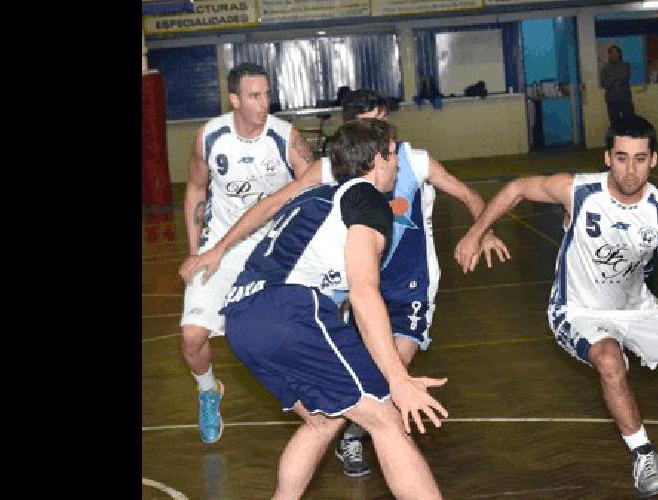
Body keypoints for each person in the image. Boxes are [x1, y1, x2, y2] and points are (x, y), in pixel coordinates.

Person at [181, 89, 510, 477]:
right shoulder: (336, 171)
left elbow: (468, 193)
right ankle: (362, 435)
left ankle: (359, 433)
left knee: (382, 383)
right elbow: (271, 204)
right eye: (373, 125)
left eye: (383, 123)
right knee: (367, 397)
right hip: (350, 289)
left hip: (407, 287)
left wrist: (480, 231)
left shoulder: (412, 161)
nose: (384, 132)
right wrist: (218, 248)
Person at [454, 115, 658, 498]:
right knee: (610, 360)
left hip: (636, 307)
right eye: (622, 157)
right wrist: (477, 232)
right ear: (608, 157)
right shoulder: (579, 192)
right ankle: (642, 453)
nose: (630, 169)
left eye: (640, 159)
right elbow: (520, 188)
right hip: (578, 310)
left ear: (653, 161)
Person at [216, 119, 449, 499]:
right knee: (386, 418)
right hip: (287, 310)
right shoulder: (367, 199)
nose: (397, 166)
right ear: (377, 159)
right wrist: (397, 378)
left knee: (324, 421)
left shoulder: (316, 197)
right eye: (393, 156)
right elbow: (363, 292)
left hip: (242, 319)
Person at [178, 62, 314, 444]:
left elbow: (314, 188)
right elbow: (195, 190)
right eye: (255, 96)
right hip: (222, 246)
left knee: (286, 337)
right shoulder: (210, 137)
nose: (264, 103)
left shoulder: (286, 138)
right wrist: (195, 251)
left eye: (267, 94)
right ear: (234, 99)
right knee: (191, 338)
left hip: (275, 246)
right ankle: (208, 391)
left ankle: (325, 406)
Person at [601, 45, 635, 124]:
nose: (614, 54)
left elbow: (625, 76)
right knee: (614, 124)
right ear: (609, 55)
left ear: (620, 54)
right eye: (612, 53)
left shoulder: (626, 65)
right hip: (612, 100)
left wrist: (611, 79)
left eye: (616, 52)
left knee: (629, 122)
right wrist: (615, 79)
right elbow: (604, 82)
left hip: (625, 99)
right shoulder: (605, 68)